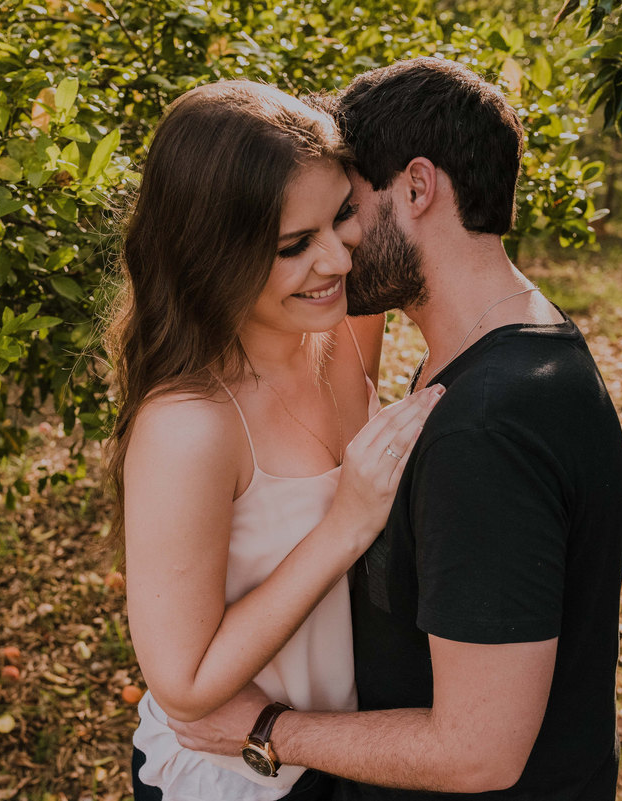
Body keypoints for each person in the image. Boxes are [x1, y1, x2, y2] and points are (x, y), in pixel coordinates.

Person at [170, 57, 622, 801]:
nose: (339, 246)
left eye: (347, 209)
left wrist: (268, 731)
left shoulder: (486, 425)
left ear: (417, 187)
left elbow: (477, 753)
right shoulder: (520, 341)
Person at [104, 80, 445, 801]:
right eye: (295, 246)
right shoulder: (190, 425)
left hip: (344, 751)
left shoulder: (344, 326)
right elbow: (184, 681)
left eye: (341, 215)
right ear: (211, 255)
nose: (339, 261)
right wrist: (345, 525)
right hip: (236, 779)